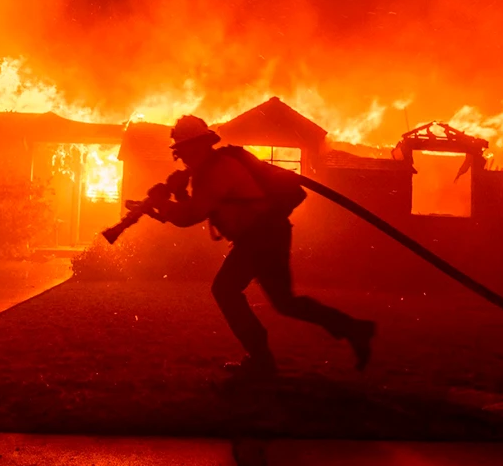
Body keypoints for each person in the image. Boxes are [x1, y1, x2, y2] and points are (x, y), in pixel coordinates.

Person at [141, 115, 376, 378]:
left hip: (260, 236)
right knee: (285, 302)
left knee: (225, 290)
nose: (183, 157)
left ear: (201, 145)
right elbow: (197, 208)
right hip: (266, 234)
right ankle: (354, 329)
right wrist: (178, 193)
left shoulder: (218, 170)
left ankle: (261, 360)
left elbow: (190, 216)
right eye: (180, 151)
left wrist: (163, 202)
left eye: (185, 149)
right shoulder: (208, 170)